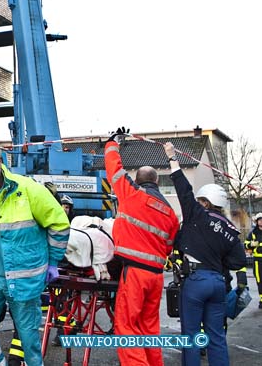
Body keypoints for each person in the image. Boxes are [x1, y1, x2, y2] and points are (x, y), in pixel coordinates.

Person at [0, 142, 70, 366]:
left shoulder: (29, 189)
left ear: (0, 162)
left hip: (24, 279)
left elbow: (59, 224)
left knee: (29, 343)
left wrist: (53, 261)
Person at [164, 142, 247, 366]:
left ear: (205, 202)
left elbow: (182, 187)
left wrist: (172, 157)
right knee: (216, 337)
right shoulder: (231, 228)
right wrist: (217, 260)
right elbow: (239, 261)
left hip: (196, 281)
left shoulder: (197, 215)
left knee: (191, 337)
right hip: (218, 282)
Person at [104, 127, 179, 366]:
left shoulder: (132, 194)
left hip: (134, 273)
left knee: (127, 328)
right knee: (149, 329)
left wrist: (112, 142)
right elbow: (168, 246)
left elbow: (114, 169)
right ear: (157, 182)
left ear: (137, 180)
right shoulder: (170, 213)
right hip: (156, 277)